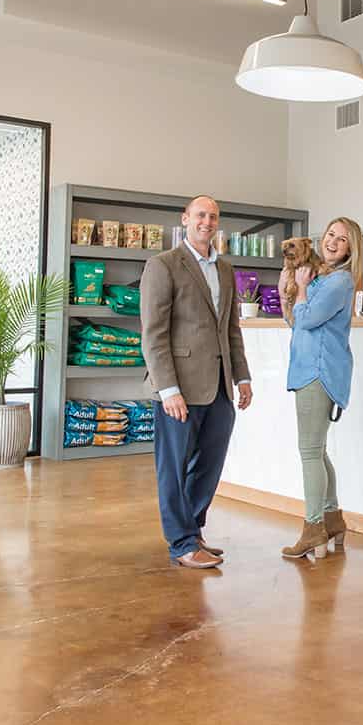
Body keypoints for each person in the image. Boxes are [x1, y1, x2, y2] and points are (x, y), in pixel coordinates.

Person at [141, 195, 253, 569]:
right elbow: (153, 335)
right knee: (173, 467)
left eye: (214, 216)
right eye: (201, 215)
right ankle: (181, 542)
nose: (207, 221)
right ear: (185, 219)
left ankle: (193, 529)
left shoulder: (224, 268)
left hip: (219, 386)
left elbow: (230, 329)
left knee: (210, 463)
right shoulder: (163, 266)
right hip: (179, 389)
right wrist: (168, 389)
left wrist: (243, 377)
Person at [280, 217, 363, 561]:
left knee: (310, 452)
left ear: (350, 250)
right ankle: (332, 521)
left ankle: (313, 527)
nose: (333, 242)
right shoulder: (320, 277)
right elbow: (295, 321)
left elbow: (310, 319)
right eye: (331, 235)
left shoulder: (340, 281)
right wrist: (290, 287)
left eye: (342, 240)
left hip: (319, 372)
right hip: (308, 369)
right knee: (318, 450)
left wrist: (299, 290)